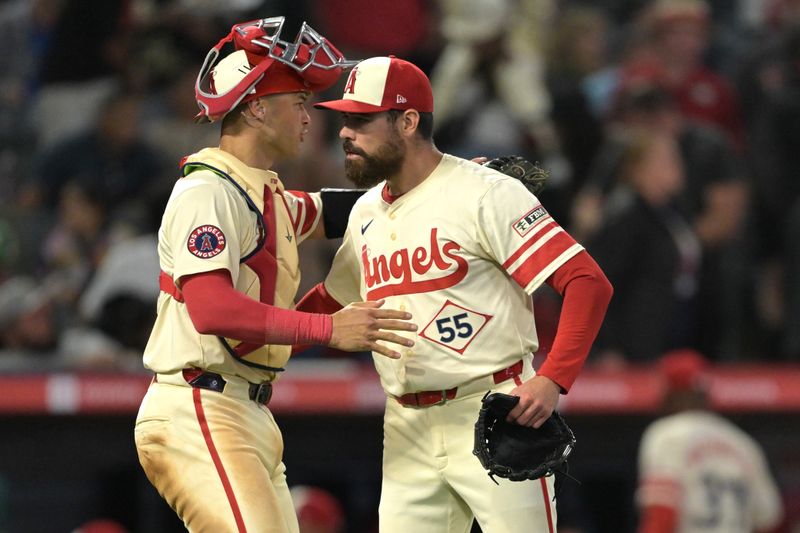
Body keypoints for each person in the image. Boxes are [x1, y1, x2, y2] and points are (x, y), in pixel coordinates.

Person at [299, 55, 613, 532]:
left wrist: (552, 380)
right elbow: (331, 301)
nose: (345, 133)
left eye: (361, 120)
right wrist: (261, 338)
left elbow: (588, 282)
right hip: (404, 424)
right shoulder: (365, 211)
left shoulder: (483, 193)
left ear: (407, 121)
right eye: (345, 119)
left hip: (490, 406)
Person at [134, 18, 417, 532]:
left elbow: (343, 210)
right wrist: (330, 328)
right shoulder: (208, 191)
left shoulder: (263, 191)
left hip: (247, 412)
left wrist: (442, 181)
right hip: (199, 407)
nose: (310, 117)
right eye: (299, 101)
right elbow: (211, 309)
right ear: (258, 107)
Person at [636, 349, 784, 533]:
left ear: (672, 393)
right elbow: (768, 518)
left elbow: (662, 515)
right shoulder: (743, 443)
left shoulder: (666, 434)